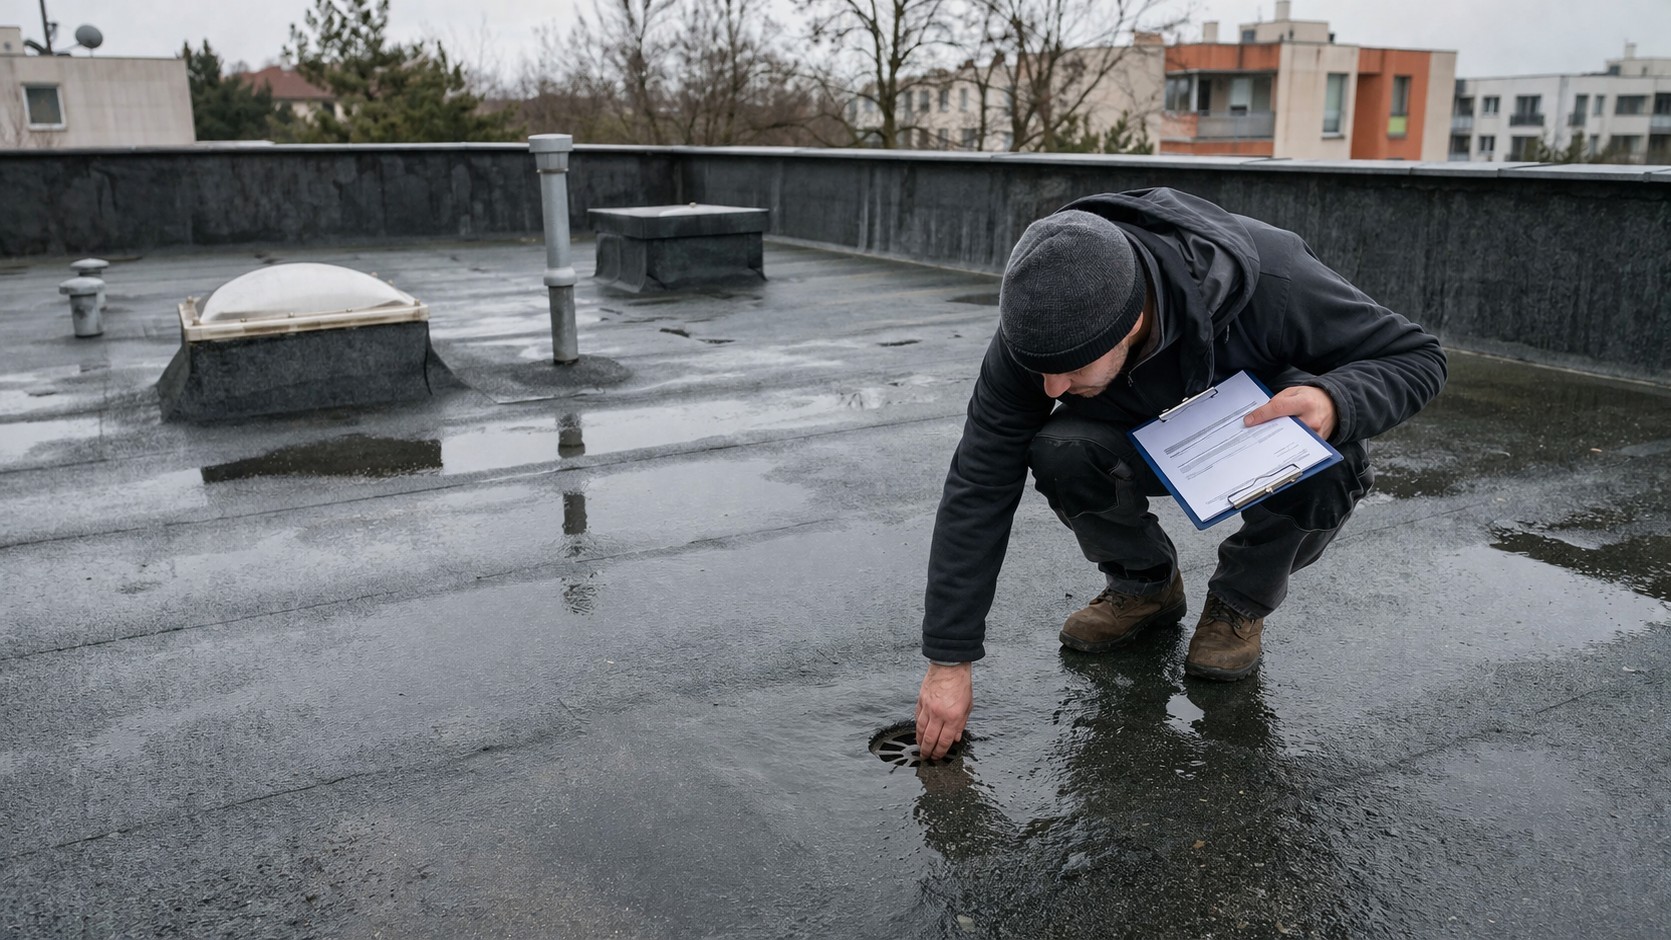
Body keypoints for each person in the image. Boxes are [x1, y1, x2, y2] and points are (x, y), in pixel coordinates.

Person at [912, 188, 1446, 760]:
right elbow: (978, 481)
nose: (1051, 389)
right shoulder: (1043, 326)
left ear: (1132, 319)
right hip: (1139, 437)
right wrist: (949, 660)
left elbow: (1418, 357)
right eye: (1040, 372)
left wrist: (1335, 400)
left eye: (1070, 371)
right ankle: (1145, 587)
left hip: (1251, 431)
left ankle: (1240, 602)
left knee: (1332, 465)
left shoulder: (1276, 282)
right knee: (1058, 447)